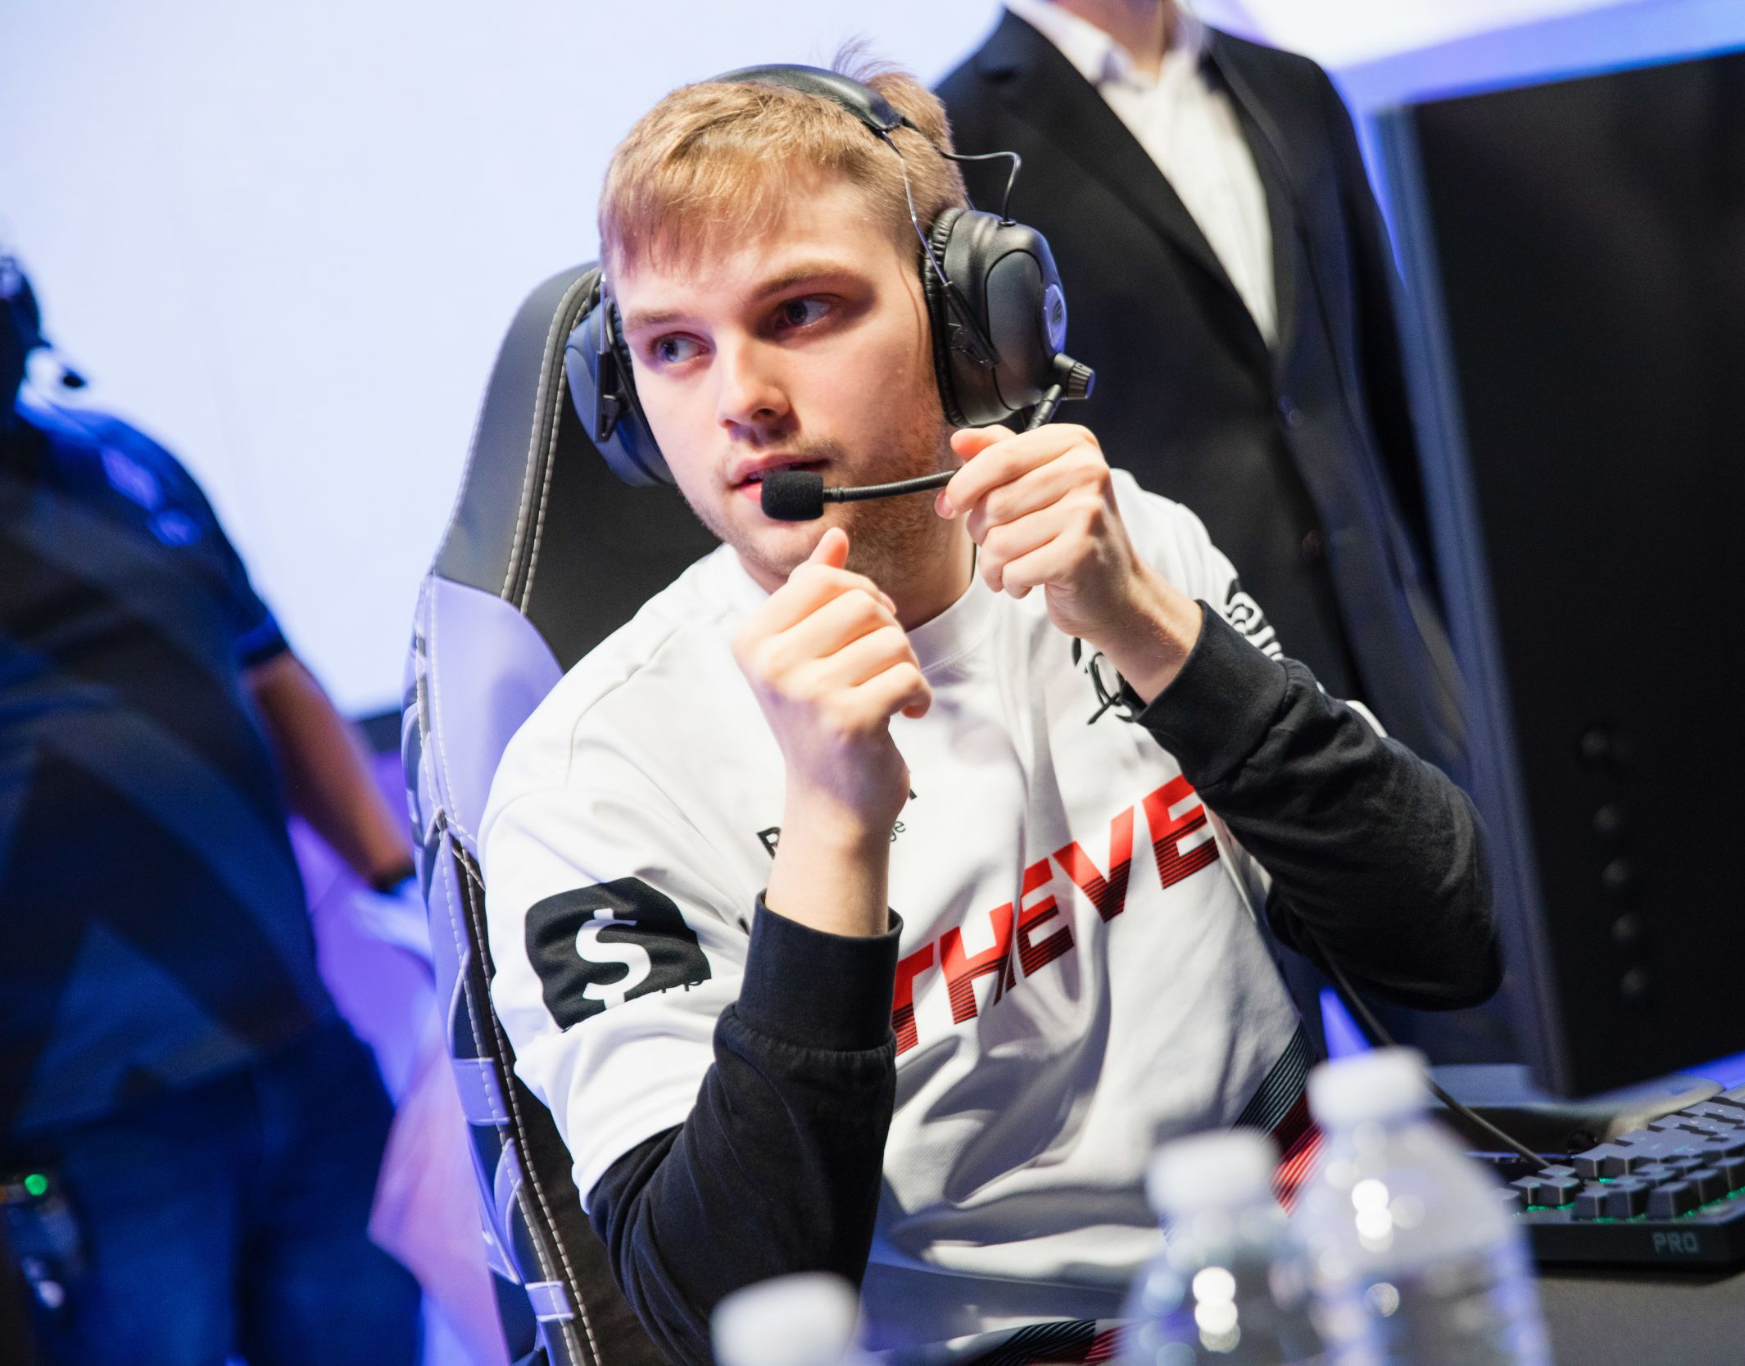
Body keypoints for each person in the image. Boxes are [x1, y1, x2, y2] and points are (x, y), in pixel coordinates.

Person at [478, 59, 1497, 1366]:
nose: (739, 399)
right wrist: (832, 829)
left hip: (1296, 1276)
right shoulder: (588, 775)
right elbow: (712, 1305)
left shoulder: (1130, 549)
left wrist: (1155, 633)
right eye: (673, 346)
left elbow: (1448, 939)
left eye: (800, 310)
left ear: (969, 321)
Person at [0, 256, 421, 1365]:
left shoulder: (123, 461)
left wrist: (401, 887)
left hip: (297, 1043)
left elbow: (269, 672)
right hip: (79, 1108)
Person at [934, 0, 1464, 776]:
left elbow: (1394, 387)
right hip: (1184, 685)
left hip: (1393, 655)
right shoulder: (961, 137)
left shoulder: (1292, 86)